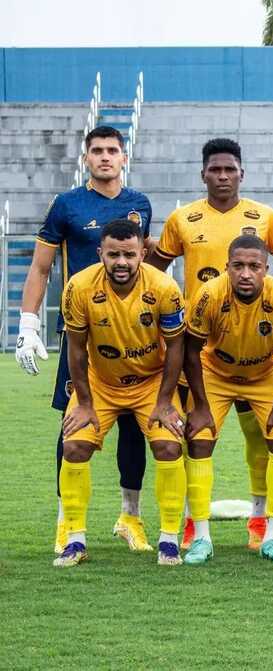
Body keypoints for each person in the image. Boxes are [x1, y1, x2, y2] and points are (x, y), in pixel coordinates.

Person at [16, 125, 155, 555]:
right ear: (87, 158)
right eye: (97, 151)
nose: (105, 157)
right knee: (72, 424)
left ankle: (129, 516)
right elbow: (41, 269)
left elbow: (149, 263)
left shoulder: (140, 205)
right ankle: (66, 522)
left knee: (134, 423)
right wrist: (27, 324)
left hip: (133, 334)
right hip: (81, 333)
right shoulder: (67, 205)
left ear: (124, 157)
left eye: (113, 150)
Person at [148, 137, 273, 551]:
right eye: (215, 170)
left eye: (230, 169)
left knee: (261, 439)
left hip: (259, 348)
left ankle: (261, 520)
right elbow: (154, 272)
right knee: (197, 434)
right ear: (203, 173)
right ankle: (192, 522)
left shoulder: (265, 217)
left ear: (242, 173)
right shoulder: (183, 218)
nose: (222, 176)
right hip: (202, 349)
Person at [54, 219, 187, 567]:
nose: (121, 262)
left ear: (143, 253)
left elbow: (176, 348)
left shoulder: (164, 287)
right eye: (113, 254)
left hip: (151, 383)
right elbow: (77, 349)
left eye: (129, 254)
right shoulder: (79, 287)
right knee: (74, 445)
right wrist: (83, 402)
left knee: (169, 445)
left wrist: (164, 402)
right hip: (101, 383)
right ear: (101, 253)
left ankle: (169, 541)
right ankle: (75, 540)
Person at [181, 236, 273, 565]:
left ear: (266, 270)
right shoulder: (209, 294)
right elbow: (190, 351)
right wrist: (199, 404)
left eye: (254, 266)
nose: (245, 273)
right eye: (238, 266)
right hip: (216, 373)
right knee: (198, 440)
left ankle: (271, 537)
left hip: (265, 374)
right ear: (227, 267)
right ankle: (200, 538)